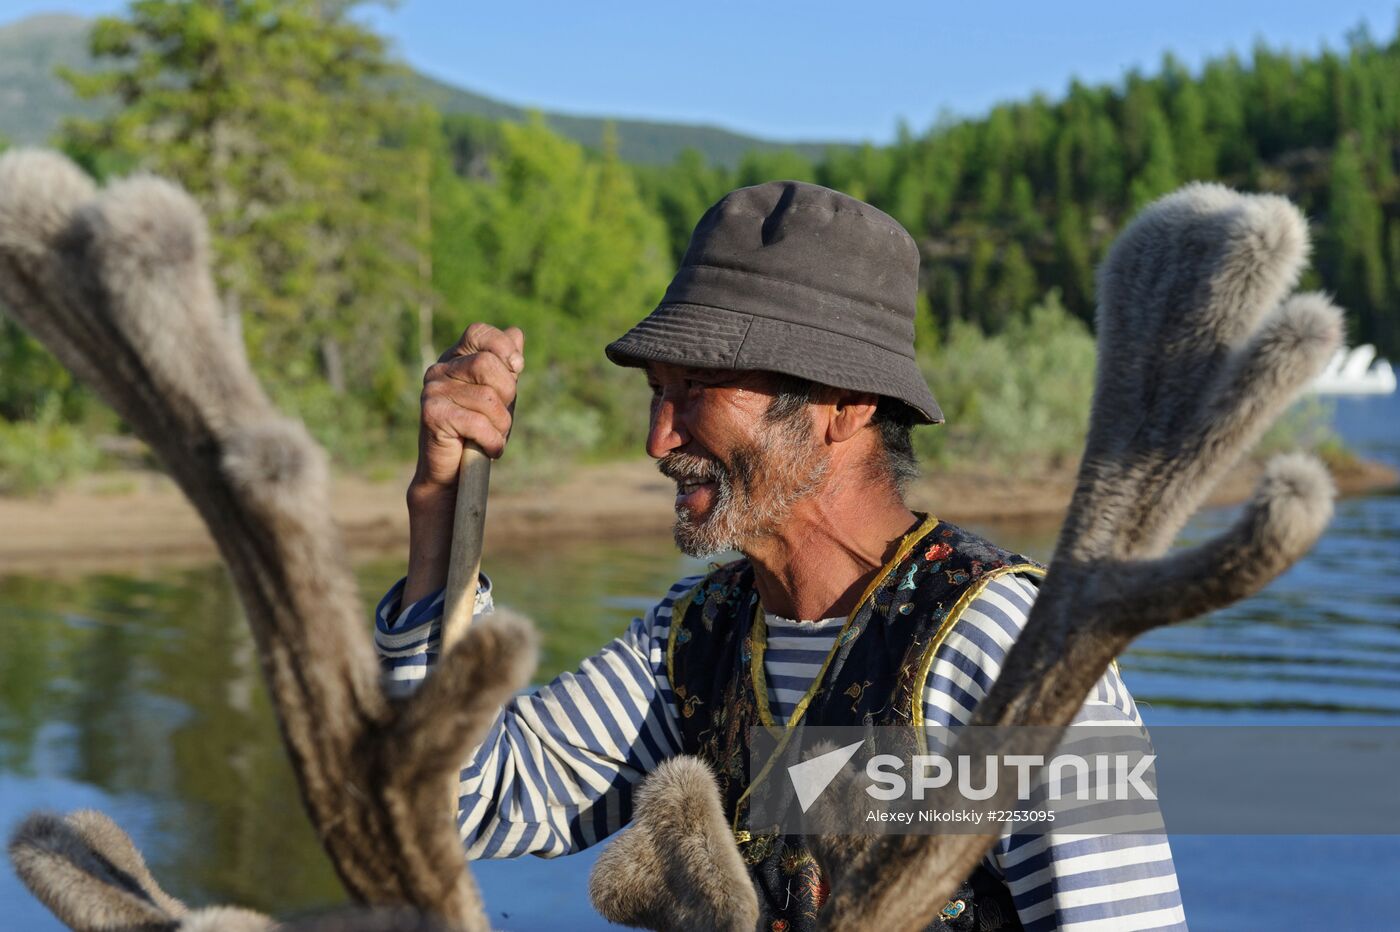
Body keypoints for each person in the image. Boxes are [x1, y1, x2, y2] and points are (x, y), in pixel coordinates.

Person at [376, 181, 1187, 931]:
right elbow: (453, 805)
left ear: (843, 406)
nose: (658, 439)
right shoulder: (695, 640)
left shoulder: (1007, 648)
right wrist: (442, 513)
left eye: (697, 388)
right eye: (658, 390)